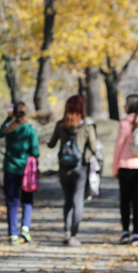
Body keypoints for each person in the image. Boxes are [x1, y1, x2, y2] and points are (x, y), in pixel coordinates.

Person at [47, 95, 97, 247]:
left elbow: (52, 144)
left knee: (68, 200)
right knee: (78, 200)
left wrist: (48, 142)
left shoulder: (60, 124)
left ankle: (66, 231)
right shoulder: (88, 126)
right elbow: (94, 148)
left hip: (64, 167)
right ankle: (74, 236)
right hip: (81, 167)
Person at [112, 94, 138, 247]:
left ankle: (125, 232)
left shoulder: (125, 122)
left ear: (129, 105)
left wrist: (115, 166)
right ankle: (136, 234)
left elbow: (119, 145)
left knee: (125, 199)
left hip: (126, 165)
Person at [0, 101, 40, 245]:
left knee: (12, 202)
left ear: (14, 113)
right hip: (26, 171)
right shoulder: (30, 130)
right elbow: (35, 152)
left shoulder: (10, 128)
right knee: (27, 199)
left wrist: (8, 118)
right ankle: (25, 228)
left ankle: (13, 234)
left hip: (9, 169)